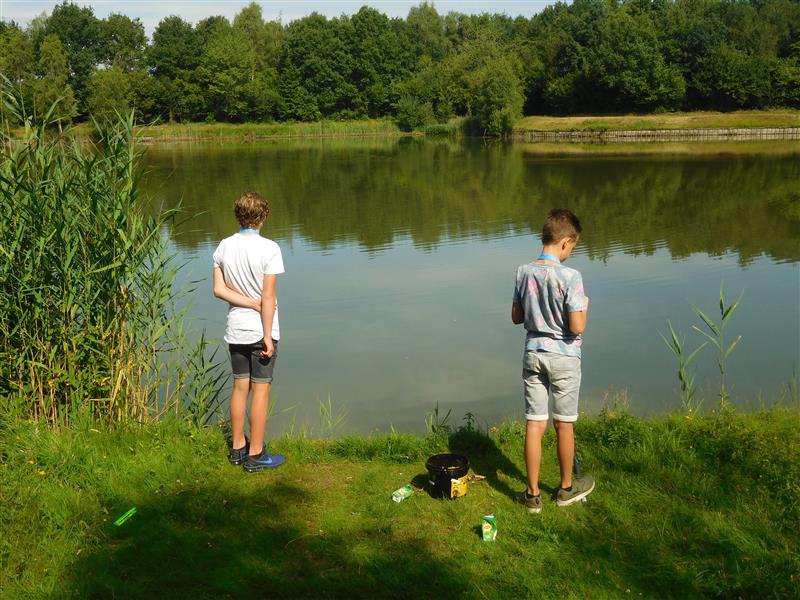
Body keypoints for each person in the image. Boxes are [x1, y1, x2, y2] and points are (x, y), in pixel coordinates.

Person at [511, 208, 594, 513]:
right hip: (564, 358)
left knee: (534, 424)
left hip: (533, 354)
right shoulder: (571, 277)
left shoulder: (523, 272)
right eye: (573, 247)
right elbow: (577, 326)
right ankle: (566, 489)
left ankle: (532, 495)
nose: (571, 253)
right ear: (565, 242)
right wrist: (584, 307)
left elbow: (516, 316)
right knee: (564, 424)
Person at [212, 191, 286, 472]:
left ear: (238, 215)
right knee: (261, 390)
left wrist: (247, 302)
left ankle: (237, 448)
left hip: (236, 330)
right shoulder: (270, 248)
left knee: (240, 386)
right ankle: (256, 454)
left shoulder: (223, 246)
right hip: (260, 330)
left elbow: (219, 290)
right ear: (263, 216)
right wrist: (267, 336)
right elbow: (268, 296)